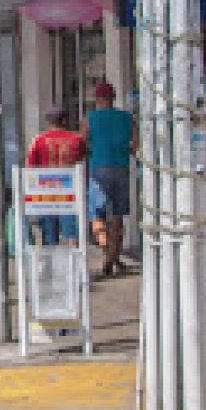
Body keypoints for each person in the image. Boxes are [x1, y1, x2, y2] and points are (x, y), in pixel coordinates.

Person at [81, 82, 135, 276]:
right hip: (121, 168)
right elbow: (135, 145)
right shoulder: (127, 118)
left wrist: (94, 150)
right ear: (113, 97)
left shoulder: (90, 119)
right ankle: (114, 256)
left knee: (97, 215)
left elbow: (82, 143)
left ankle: (107, 255)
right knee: (118, 216)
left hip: (99, 169)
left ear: (98, 99)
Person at [26, 107, 86, 246]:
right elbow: (83, 157)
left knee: (49, 232)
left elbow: (31, 166)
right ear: (65, 121)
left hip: (46, 192)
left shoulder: (39, 140)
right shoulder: (76, 139)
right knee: (72, 231)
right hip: (69, 191)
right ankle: (75, 262)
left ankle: (50, 262)